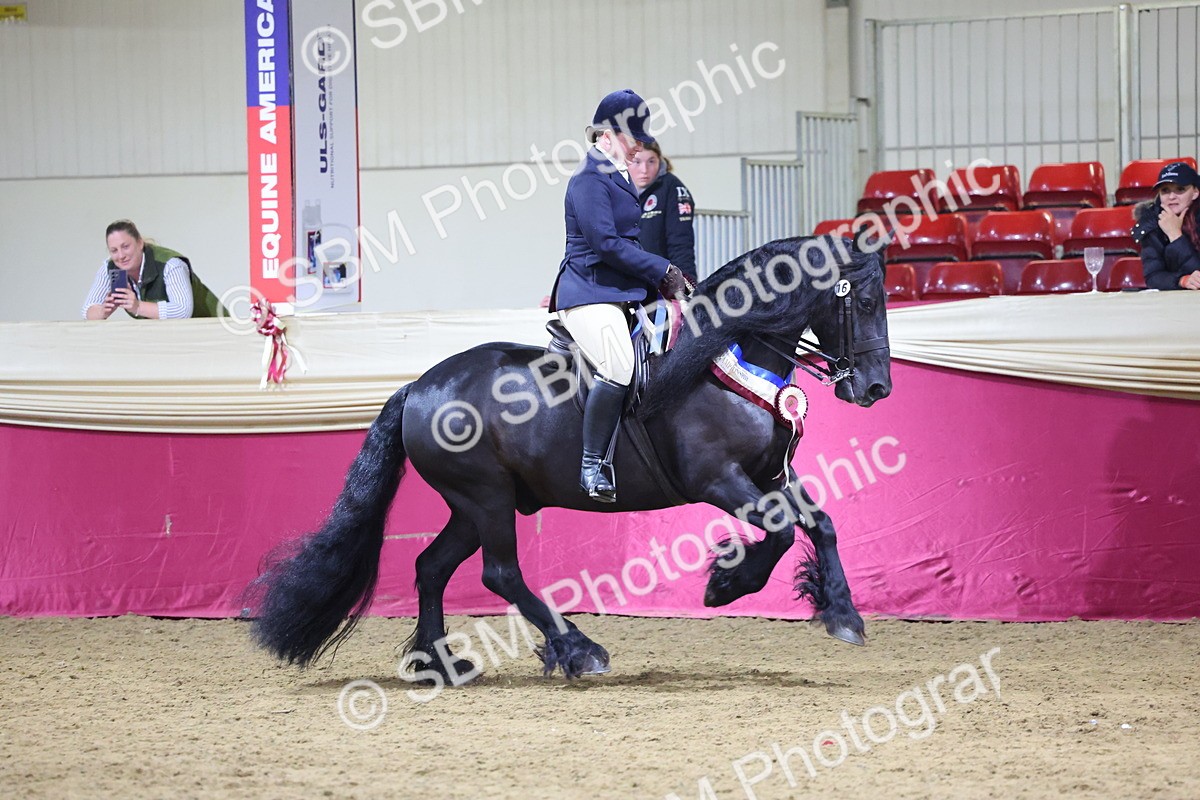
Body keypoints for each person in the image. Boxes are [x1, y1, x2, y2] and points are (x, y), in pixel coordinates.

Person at [549, 89, 690, 503]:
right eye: (633, 139)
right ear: (607, 134)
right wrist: (661, 269)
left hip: (622, 291)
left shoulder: (617, 173)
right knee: (619, 365)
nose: (639, 148)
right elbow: (608, 244)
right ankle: (592, 467)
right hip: (589, 293)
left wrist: (663, 282)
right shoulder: (588, 180)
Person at [82, 220, 225, 319]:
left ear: (139, 243)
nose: (120, 256)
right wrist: (103, 311)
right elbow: (87, 310)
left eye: (126, 247)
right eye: (114, 250)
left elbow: (183, 311)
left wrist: (138, 307)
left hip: (217, 329)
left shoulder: (170, 264)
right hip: (175, 338)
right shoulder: (110, 268)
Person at [628, 141, 697, 283]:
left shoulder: (673, 189)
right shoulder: (619, 189)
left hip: (660, 282)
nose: (644, 170)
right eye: (637, 162)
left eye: (651, 161)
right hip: (627, 282)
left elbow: (681, 244)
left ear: (660, 161)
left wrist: (686, 285)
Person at [1132, 162, 1200, 290]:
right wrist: (1181, 280)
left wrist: (1175, 235)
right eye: (1165, 191)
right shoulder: (1152, 222)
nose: (1171, 197)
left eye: (1180, 189)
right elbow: (1153, 276)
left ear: (1195, 192)